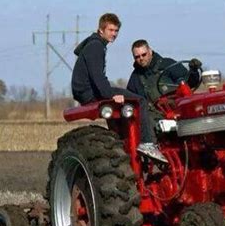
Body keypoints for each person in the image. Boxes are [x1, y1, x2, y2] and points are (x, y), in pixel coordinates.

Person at [71, 14, 167, 163]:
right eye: (111, 30)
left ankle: (123, 140)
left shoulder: (95, 44)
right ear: (101, 30)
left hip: (86, 90)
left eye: (116, 31)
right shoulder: (96, 47)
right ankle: (147, 143)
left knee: (130, 101)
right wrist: (109, 95)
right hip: (88, 91)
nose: (114, 34)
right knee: (139, 101)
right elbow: (97, 77)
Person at [127, 39, 202, 138]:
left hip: (179, 108)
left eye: (143, 54)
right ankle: (151, 148)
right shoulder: (135, 78)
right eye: (137, 57)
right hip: (156, 115)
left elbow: (189, 83)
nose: (141, 58)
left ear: (150, 51)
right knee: (145, 117)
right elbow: (132, 100)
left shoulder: (168, 65)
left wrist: (193, 71)